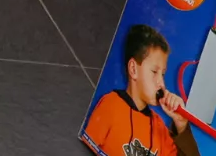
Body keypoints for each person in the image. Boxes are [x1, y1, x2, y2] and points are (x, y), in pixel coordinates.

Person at [83, 25, 197, 156]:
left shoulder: (159, 128)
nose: (161, 83)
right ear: (133, 69)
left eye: (163, 74)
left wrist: (181, 125)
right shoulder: (110, 105)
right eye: (154, 72)